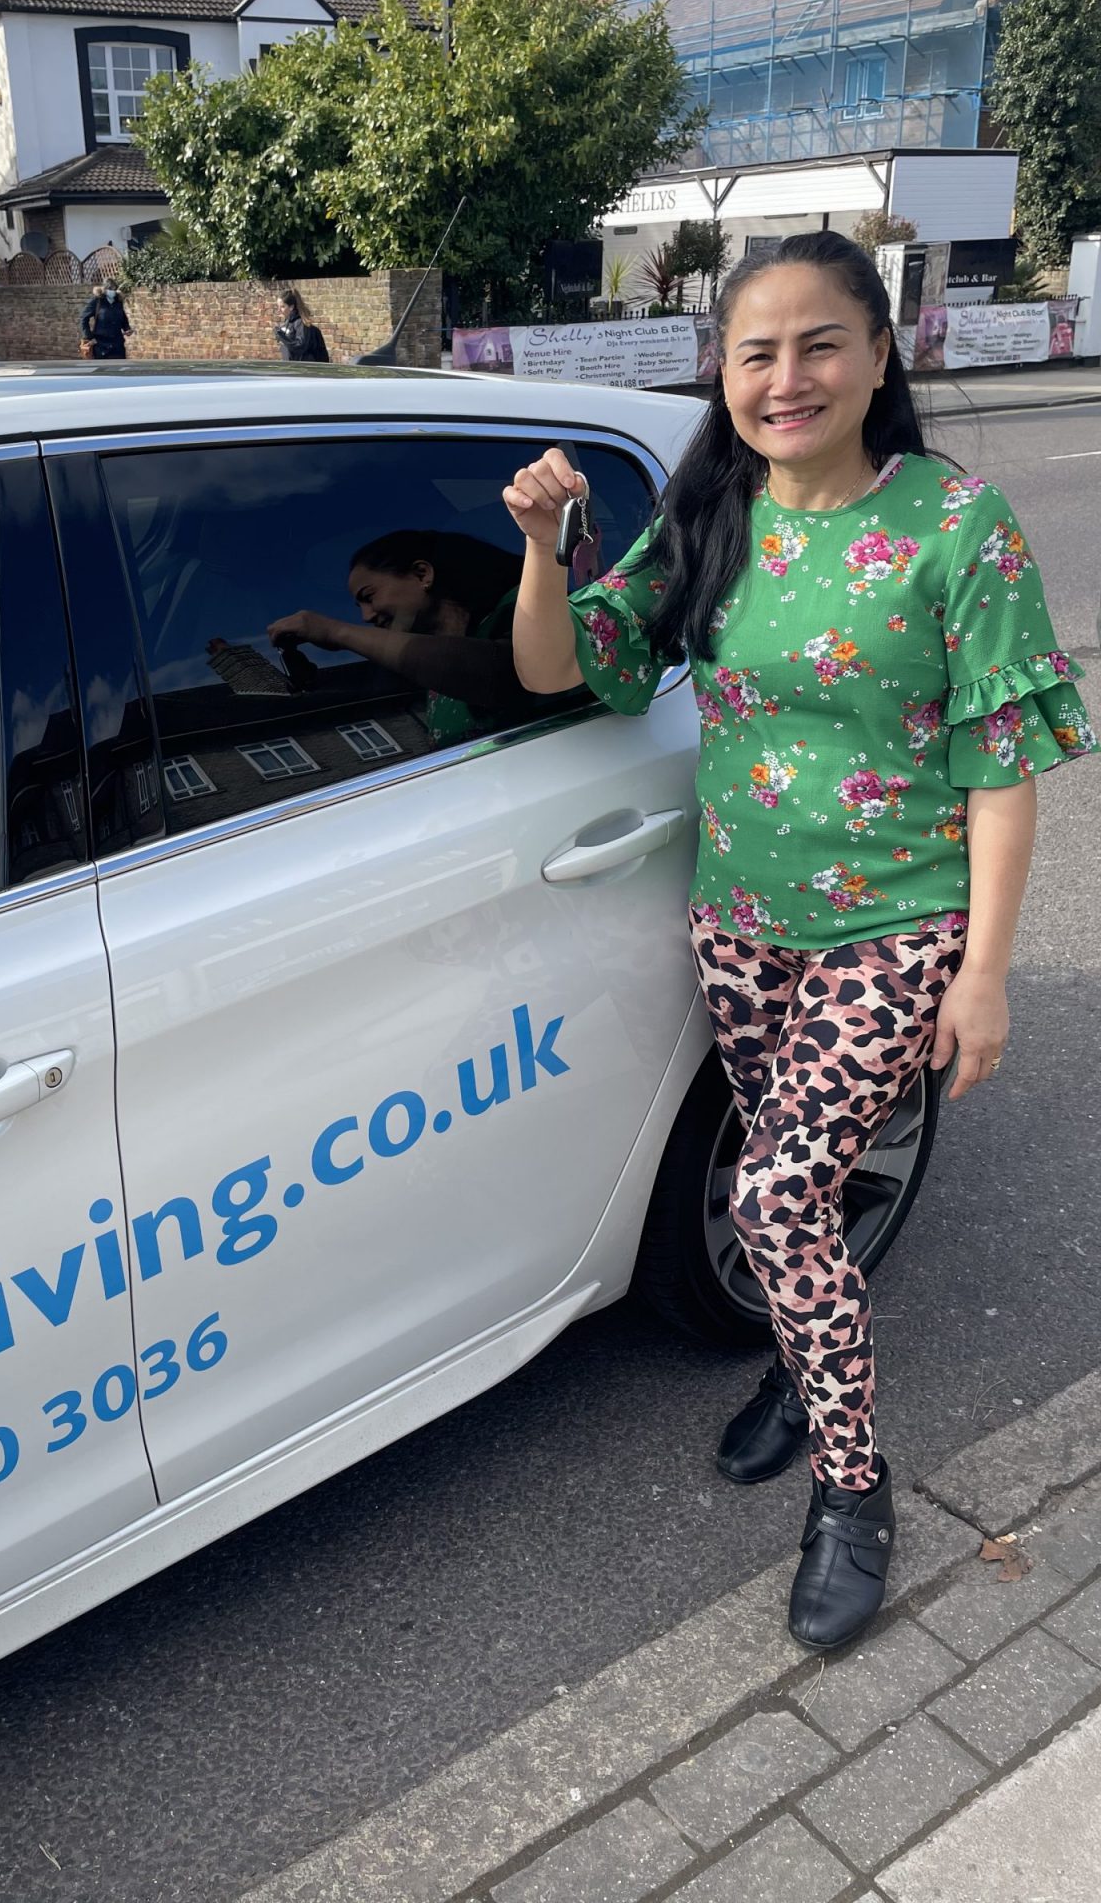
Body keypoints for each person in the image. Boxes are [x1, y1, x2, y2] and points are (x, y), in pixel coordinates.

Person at [503, 229, 1095, 1652]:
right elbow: (561, 666)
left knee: (771, 1197)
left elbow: (999, 765)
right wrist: (539, 549)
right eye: (755, 352)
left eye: (820, 344)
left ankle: (853, 1484)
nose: (787, 378)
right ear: (723, 371)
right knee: (798, 1188)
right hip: (742, 920)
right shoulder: (710, 513)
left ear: (881, 355)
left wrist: (986, 972)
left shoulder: (957, 524)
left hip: (897, 923)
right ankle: (800, 1355)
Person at [268, 529, 551, 745]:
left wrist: (335, 631)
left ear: (421, 574)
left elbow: (508, 675)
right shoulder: (424, 667)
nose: (366, 616)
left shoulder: (524, 611)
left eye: (369, 597)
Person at [274, 288, 329, 363]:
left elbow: (300, 347)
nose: (279, 310)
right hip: (291, 366)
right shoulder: (287, 323)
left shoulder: (301, 323)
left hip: (305, 367)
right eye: (278, 306)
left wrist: (282, 337)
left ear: (291, 307)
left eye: (282, 307)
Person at [82, 282, 132, 359]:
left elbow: (123, 318)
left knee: (119, 365)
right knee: (102, 366)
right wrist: (89, 336)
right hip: (100, 344)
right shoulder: (97, 301)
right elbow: (84, 318)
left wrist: (127, 328)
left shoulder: (118, 301)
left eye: (114, 289)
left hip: (117, 345)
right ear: (104, 289)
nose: (112, 292)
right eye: (110, 289)